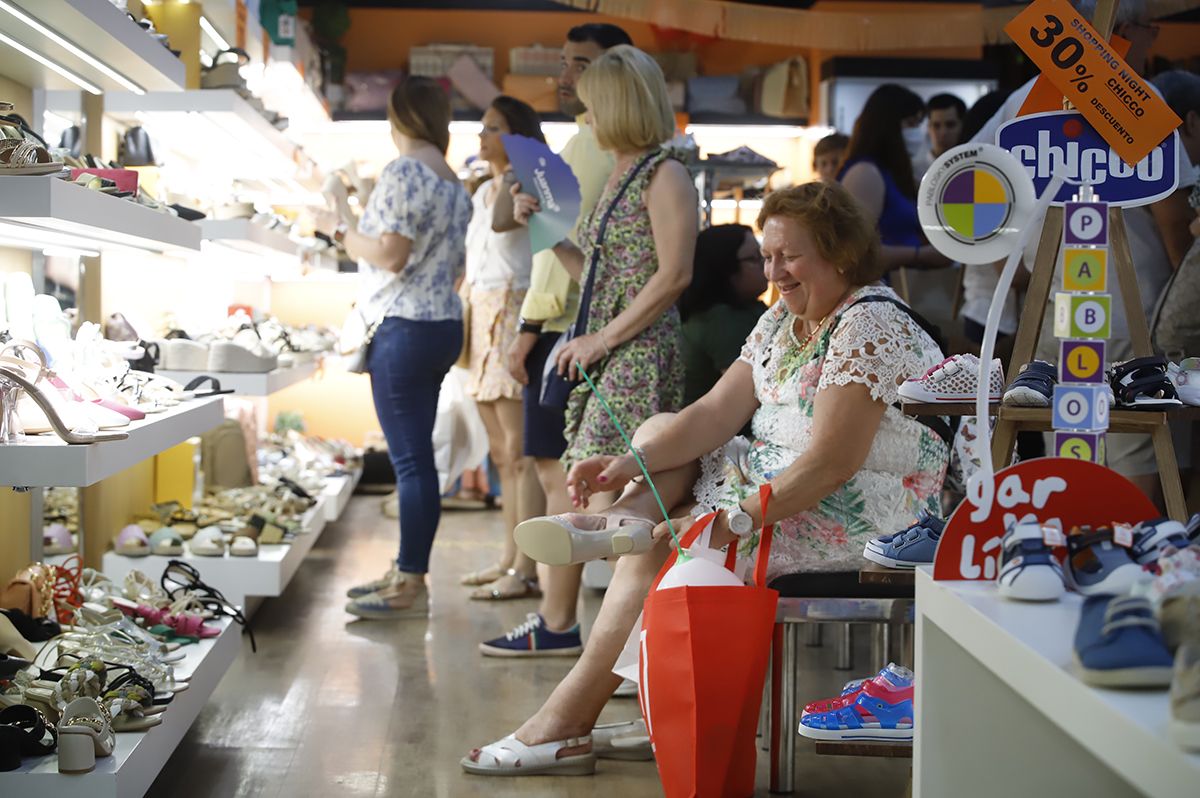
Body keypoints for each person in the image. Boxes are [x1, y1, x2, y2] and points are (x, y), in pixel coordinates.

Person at [461, 182, 948, 776]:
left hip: (860, 515)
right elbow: (712, 413)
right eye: (766, 257)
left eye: (787, 256)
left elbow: (829, 465)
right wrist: (626, 464)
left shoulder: (867, 325)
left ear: (840, 252)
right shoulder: (781, 321)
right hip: (780, 486)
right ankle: (629, 518)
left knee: (670, 538)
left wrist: (731, 516)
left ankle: (572, 711)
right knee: (663, 436)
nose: (774, 272)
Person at [970, 0, 1197, 503]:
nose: (1152, 41)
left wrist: (1017, 276)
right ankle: (1126, 555)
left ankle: (1066, 548)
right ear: (1116, 30)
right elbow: (1174, 224)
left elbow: (975, 193)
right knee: (1133, 443)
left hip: (1054, 304)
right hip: (1129, 307)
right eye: (1147, 29)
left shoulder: (1025, 100)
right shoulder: (1136, 99)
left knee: (1068, 439)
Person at [480, 22, 632, 656]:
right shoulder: (582, 146)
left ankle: (567, 625)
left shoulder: (609, 152)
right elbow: (553, 243)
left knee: (564, 476)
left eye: (581, 64)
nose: (565, 77)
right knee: (558, 473)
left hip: (576, 332)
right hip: (568, 328)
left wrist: (529, 329)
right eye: (566, 64)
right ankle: (561, 620)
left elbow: (572, 257)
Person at [337, 77, 474, 620]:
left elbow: (390, 253)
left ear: (399, 119)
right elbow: (455, 266)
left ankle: (408, 582)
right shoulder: (453, 182)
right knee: (418, 461)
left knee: (411, 463)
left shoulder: (404, 171)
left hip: (405, 327)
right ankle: (406, 571)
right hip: (441, 323)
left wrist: (343, 231)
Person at [458, 96, 546, 601]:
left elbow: (504, 226)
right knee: (500, 451)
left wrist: (515, 167)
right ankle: (509, 558)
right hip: (486, 312)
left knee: (519, 451)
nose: (482, 136)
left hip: (516, 309)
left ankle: (524, 568)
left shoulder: (525, 181)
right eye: (483, 127)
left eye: (493, 128)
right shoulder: (486, 189)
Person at [838, 84, 950, 273]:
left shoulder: (892, 174)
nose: (917, 133)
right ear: (888, 125)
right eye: (911, 124)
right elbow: (855, 253)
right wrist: (921, 255)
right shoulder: (865, 173)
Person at [680, 224, 767, 406]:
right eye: (754, 258)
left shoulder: (747, 308)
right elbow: (746, 395)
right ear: (726, 269)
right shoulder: (721, 320)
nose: (765, 265)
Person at [910, 93, 966, 181]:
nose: (943, 133)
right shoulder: (913, 171)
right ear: (928, 127)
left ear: (961, 126)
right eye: (936, 125)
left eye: (950, 125)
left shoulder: (970, 166)